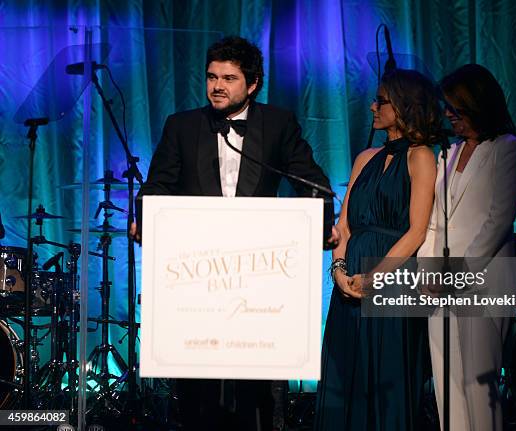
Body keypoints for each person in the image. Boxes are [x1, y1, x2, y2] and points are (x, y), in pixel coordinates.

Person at [133, 36, 337, 431]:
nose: (217, 86)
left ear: (253, 83)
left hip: (257, 280)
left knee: (256, 392)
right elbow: (157, 186)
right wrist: (143, 217)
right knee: (198, 392)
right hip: (197, 276)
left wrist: (323, 224)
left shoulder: (278, 123)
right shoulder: (182, 125)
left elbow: (314, 184)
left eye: (228, 77)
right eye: (211, 77)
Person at [315, 68, 442, 430]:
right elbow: (345, 226)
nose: (372, 106)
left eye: (381, 100)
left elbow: (416, 231)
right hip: (351, 281)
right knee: (345, 374)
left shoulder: (421, 157)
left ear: (403, 107)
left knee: (387, 380)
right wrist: (339, 272)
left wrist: (374, 278)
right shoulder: (364, 158)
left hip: (392, 280)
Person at [417, 64, 516, 431]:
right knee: (446, 386)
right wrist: (428, 271)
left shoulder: (506, 149)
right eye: (446, 107)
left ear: (477, 105)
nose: (449, 115)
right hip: (441, 287)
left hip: (482, 283)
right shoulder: (448, 153)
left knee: (478, 386)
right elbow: (434, 219)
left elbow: (497, 222)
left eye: (456, 108)